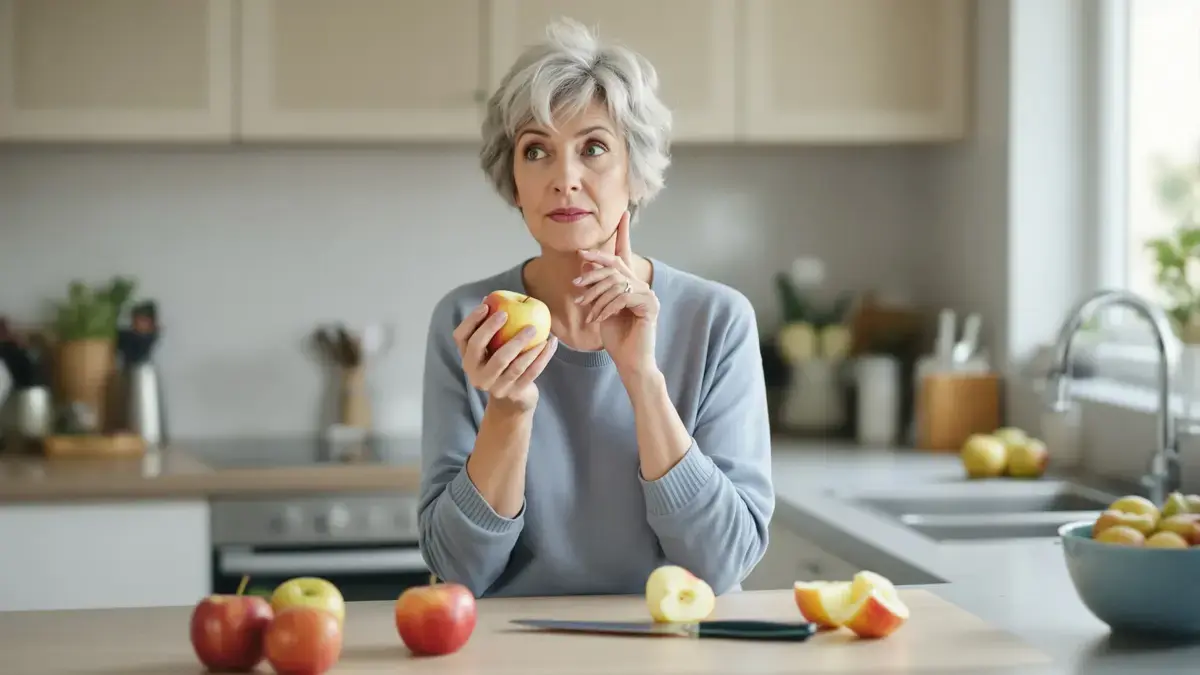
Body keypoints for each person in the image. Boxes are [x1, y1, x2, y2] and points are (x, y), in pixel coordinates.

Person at [417, 18, 775, 598]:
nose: (564, 179)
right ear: (512, 177)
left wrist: (641, 378)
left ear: (635, 171)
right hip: (518, 651)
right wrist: (508, 410)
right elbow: (459, 573)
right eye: (537, 151)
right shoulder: (468, 321)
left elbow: (723, 564)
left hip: (675, 648)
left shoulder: (719, 321)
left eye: (594, 148)